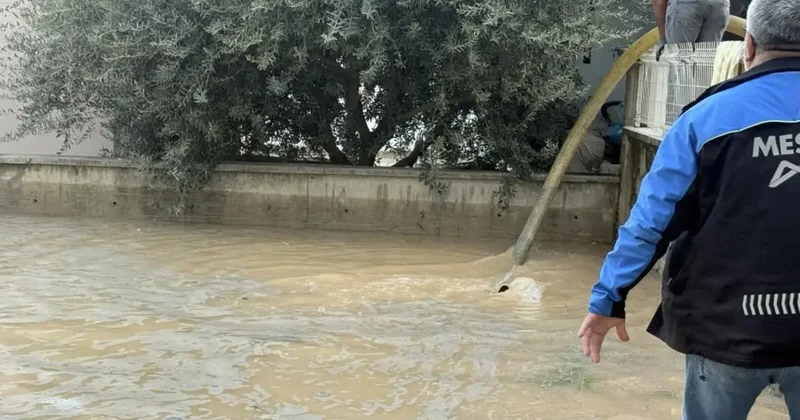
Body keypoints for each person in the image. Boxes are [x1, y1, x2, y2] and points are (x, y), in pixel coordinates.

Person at [578, 0, 800, 418]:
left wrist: (609, 297)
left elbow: (650, 223)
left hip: (724, 331)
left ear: (748, 45)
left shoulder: (704, 120)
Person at [653, 0, 731, 49]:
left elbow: (659, 2)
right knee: (707, 65)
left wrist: (663, 39)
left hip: (687, 4)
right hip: (720, 4)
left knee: (679, 64)